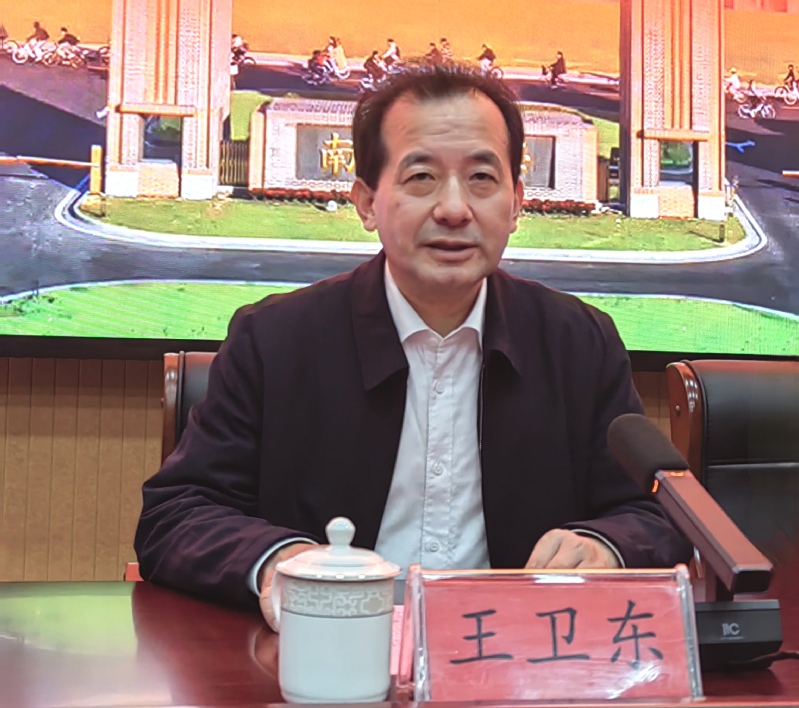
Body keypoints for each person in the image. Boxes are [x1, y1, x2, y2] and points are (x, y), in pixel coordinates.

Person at [134, 62, 692, 631]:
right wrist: (281, 562)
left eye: (482, 178)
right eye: (421, 177)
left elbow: (654, 514)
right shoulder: (276, 340)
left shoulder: (578, 343)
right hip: (329, 651)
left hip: (515, 655)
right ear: (366, 202)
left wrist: (603, 546)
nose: (454, 209)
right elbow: (177, 516)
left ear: (516, 203)